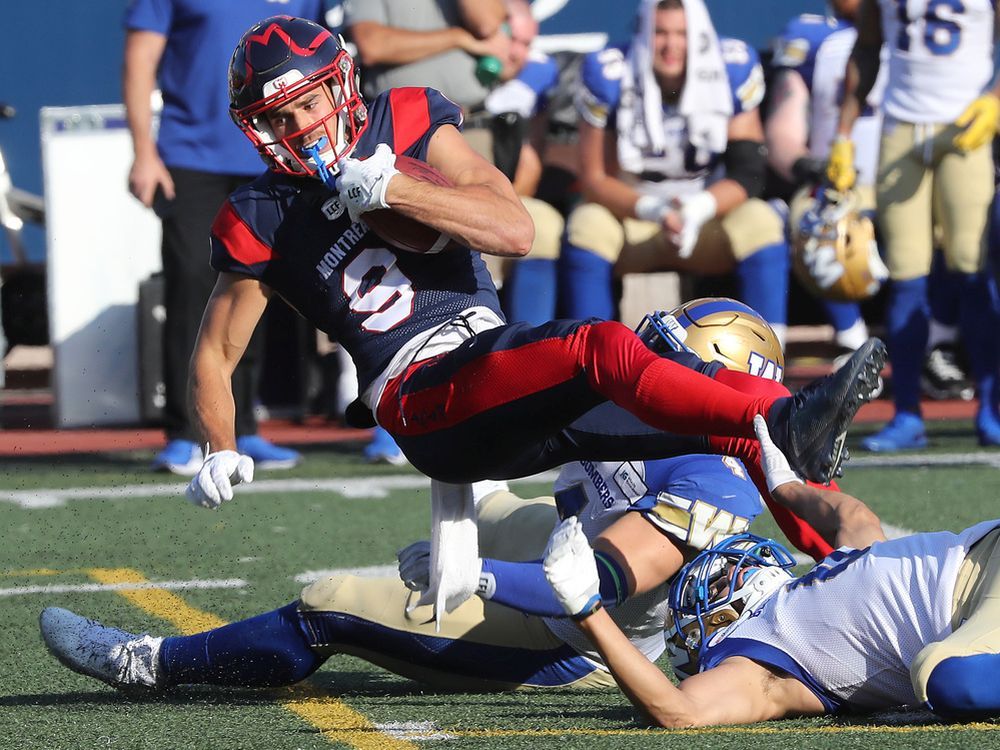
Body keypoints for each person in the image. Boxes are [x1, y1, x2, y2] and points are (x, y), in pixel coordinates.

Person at [183, 16, 885, 532]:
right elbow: (216, 354)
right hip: (420, 395)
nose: (304, 127)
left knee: (734, 443)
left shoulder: (406, 117)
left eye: (309, 103)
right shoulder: (261, 212)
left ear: (341, 85)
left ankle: (845, 566)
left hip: (493, 368)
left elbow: (512, 229)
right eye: (282, 117)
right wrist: (219, 446)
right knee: (597, 344)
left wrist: (393, 187)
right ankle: (785, 412)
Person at [37, 306, 884, 694]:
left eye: (680, 367)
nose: (659, 380)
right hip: (570, 549)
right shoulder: (648, 424)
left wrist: (474, 574)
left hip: (579, 634)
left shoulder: (713, 474)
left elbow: (596, 583)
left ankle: (151, 665)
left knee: (333, 603)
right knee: (470, 490)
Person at [543, 506, 1000, 725]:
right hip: (978, 600)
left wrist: (782, 482)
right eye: (716, 583)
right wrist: (588, 609)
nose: (724, 572)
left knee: (946, 677)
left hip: (983, 554)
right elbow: (677, 710)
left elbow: (853, 517)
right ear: (709, 628)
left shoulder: (817, 578)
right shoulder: (755, 661)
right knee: (945, 679)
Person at [344, 0, 546, 463]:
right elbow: (373, 45)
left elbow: (487, 23)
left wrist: (469, 32)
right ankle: (392, 409)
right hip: (390, 140)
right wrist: (455, 39)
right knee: (383, 275)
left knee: (480, 270)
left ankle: (492, 396)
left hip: (464, 127)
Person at [122, 0, 306, 474]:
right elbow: (141, 57)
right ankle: (185, 432)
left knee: (262, 284)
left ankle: (243, 426)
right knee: (192, 286)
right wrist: (143, 151)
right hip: (190, 155)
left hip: (272, 153)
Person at [559, 0, 789, 340]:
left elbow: (748, 172)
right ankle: (591, 361)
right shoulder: (610, 72)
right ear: (642, 34)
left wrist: (698, 209)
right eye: (660, 32)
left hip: (706, 215)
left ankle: (771, 354)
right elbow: (594, 179)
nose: (671, 45)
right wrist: (655, 210)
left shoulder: (731, 66)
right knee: (586, 225)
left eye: (683, 33)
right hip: (635, 217)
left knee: (761, 221)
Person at [828, 0, 1000, 451]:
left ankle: (991, 406)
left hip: (966, 125)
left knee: (971, 267)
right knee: (905, 274)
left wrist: (996, 101)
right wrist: (843, 135)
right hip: (901, 126)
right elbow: (867, 50)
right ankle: (906, 412)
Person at [765, 0, 883, 360]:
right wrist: (806, 165)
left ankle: (942, 343)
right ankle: (853, 339)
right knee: (814, 219)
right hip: (840, 181)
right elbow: (782, 126)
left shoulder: (919, 29)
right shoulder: (815, 37)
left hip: (908, 176)